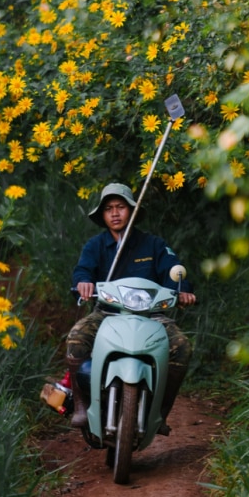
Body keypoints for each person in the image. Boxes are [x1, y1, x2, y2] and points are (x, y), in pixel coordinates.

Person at [66, 182, 197, 433]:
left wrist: (182, 291)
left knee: (182, 347)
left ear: (132, 211)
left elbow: (173, 270)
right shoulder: (94, 246)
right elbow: (83, 270)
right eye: (108, 209)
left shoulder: (154, 245)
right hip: (107, 314)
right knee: (76, 339)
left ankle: (160, 412)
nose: (115, 213)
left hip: (151, 316)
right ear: (102, 215)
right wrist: (82, 283)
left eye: (121, 207)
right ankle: (83, 405)